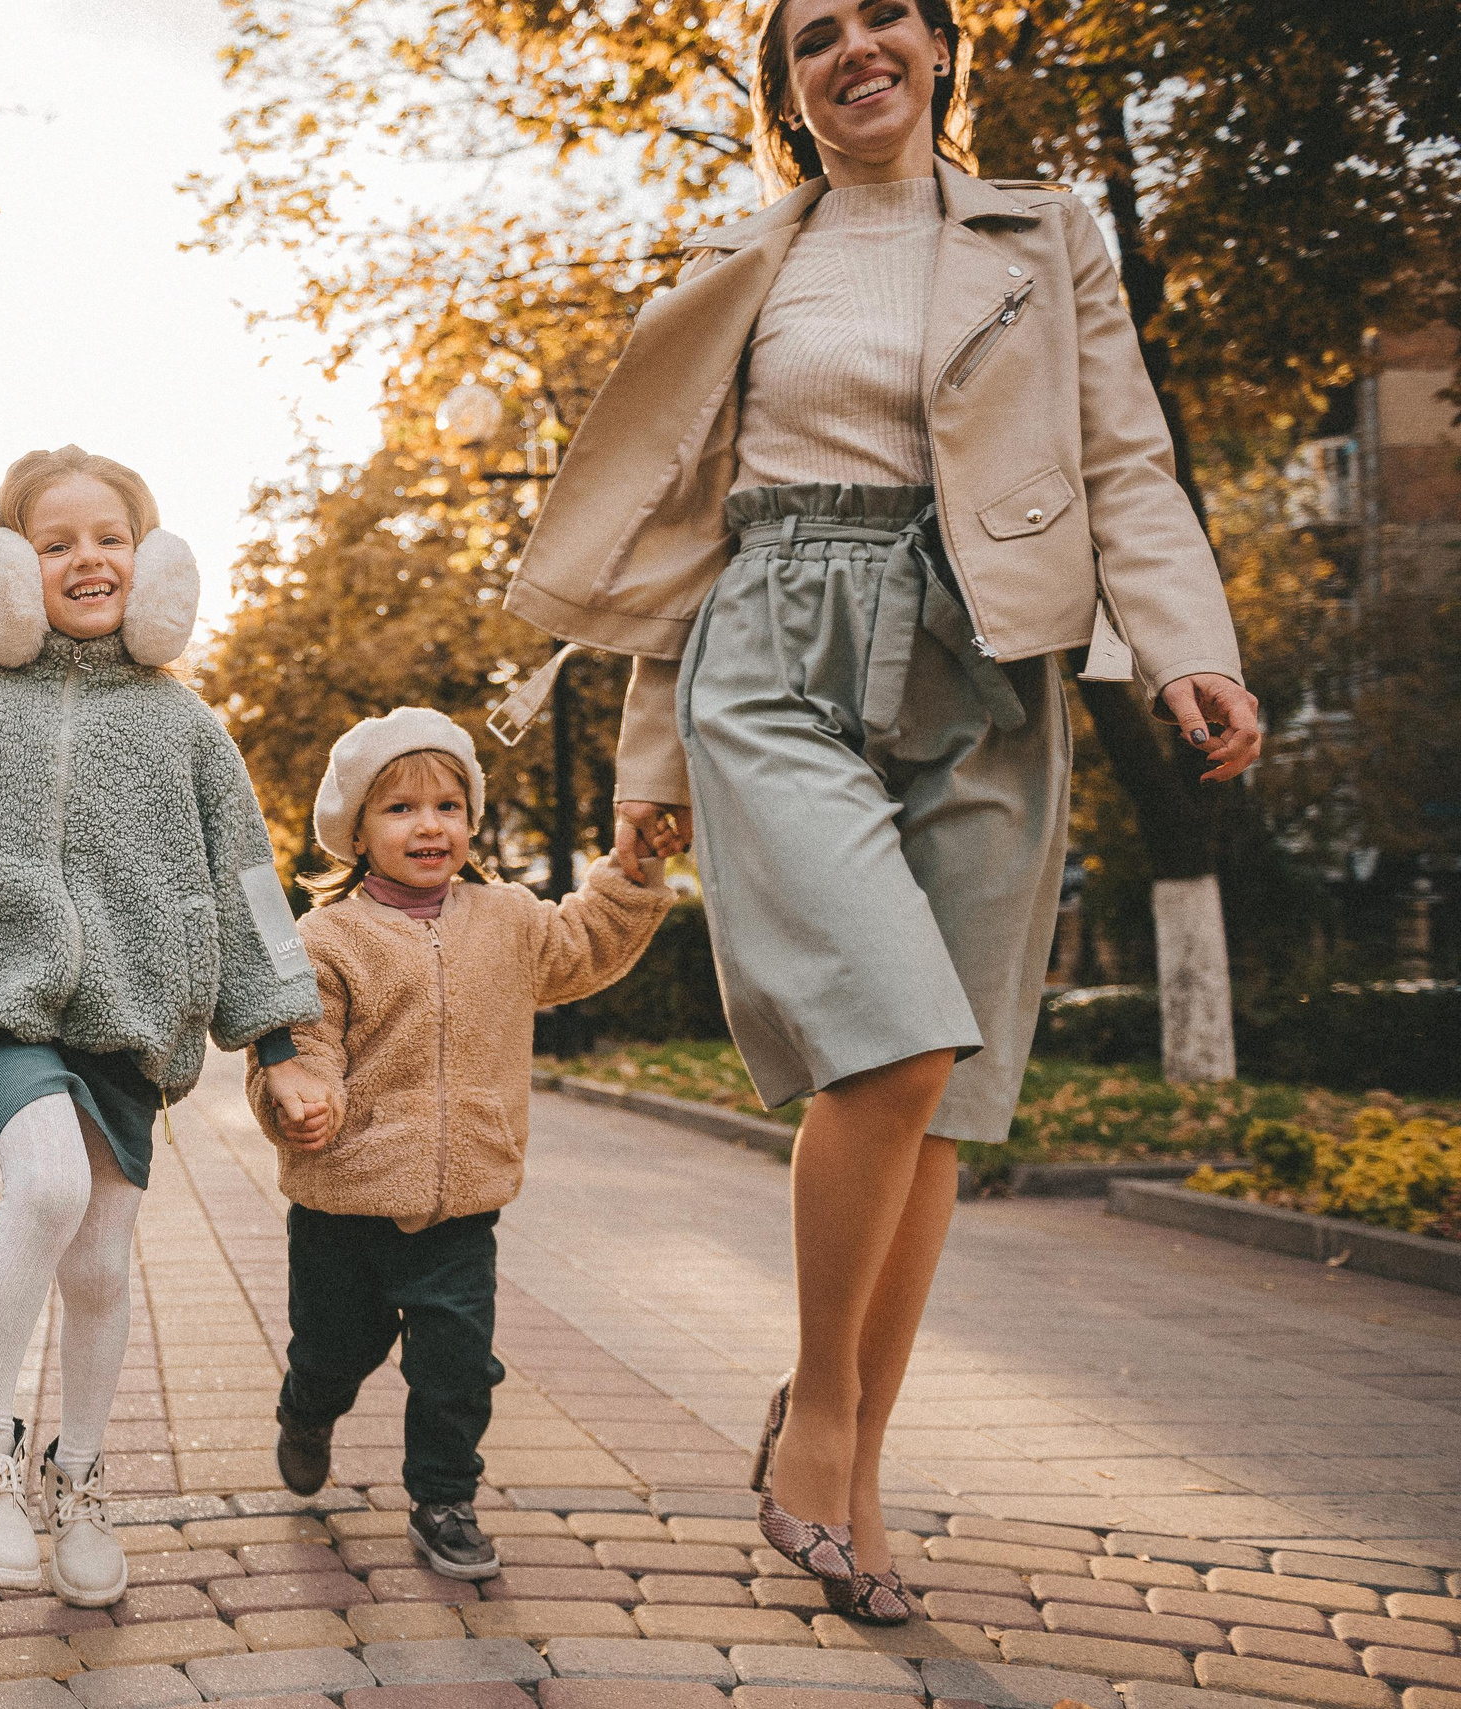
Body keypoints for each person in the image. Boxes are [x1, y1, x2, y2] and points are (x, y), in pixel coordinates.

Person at [494, 0, 1259, 1624]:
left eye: (886, 15)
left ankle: (860, 1464)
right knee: (893, 1041)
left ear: (937, 48)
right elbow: (682, 532)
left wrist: (1185, 645)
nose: (857, 44)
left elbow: (1127, 461)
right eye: (815, 31)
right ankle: (817, 1417)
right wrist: (645, 766)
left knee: (947, 1095)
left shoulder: (1048, 239)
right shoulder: (748, 269)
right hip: (774, 641)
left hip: (989, 656)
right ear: (787, 86)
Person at [0, 446, 323, 1607]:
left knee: (98, 1258)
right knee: (43, 1186)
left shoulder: (187, 725)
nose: (87, 557)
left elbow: (251, 883)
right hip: (2, 998)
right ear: (8, 566)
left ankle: (78, 1473)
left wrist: (282, 1039)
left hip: (135, 1018)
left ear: (151, 565)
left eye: (111, 537)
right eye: (56, 542)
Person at [247, 708, 673, 1578]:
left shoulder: (508, 920)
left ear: (471, 820)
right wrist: (305, 1102)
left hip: (460, 1206)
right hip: (345, 1207)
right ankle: (307, 1407)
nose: (429, 824)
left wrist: (630, 877)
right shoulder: (326, 939)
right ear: (356, 831)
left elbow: (586, 940)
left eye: (448, 804)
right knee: (335, 1348)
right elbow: (297, 1043)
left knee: (457, 1367)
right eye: (400, 808)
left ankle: (445, 1498)